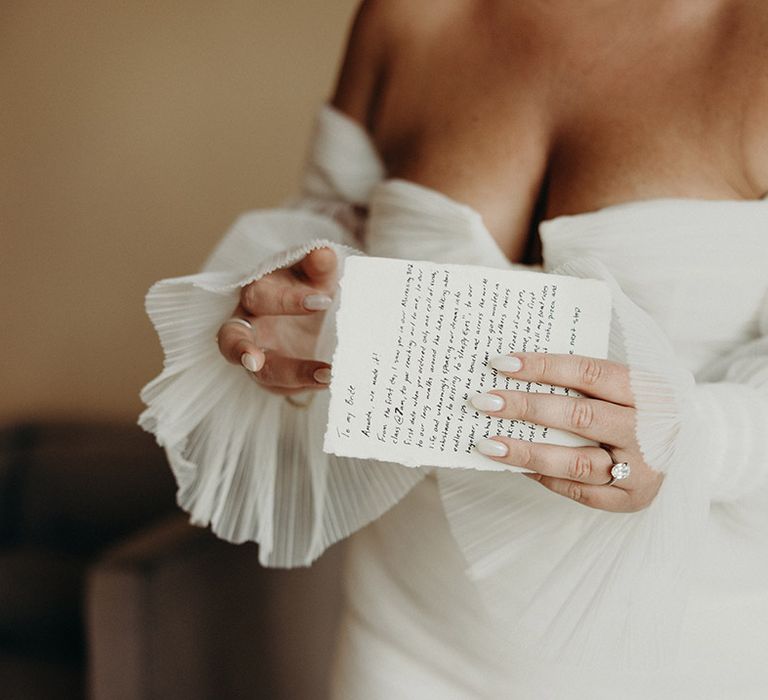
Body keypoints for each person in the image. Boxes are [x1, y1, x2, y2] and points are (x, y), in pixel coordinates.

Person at [139, 2, 768, 697]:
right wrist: (296, 309)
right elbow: (328, 219)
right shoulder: (411, 15)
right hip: (405, 636)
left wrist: (700, 438)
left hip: (683, 655)